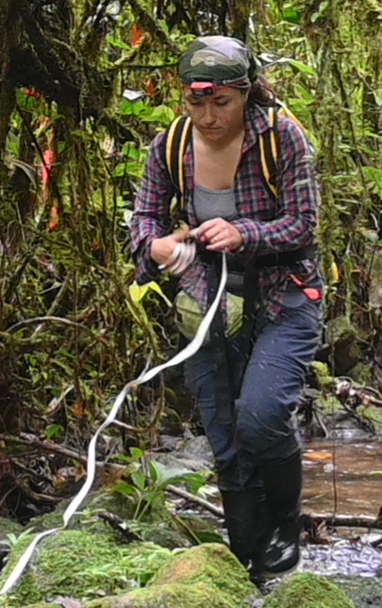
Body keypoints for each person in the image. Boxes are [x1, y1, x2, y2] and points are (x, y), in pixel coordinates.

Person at [129, 35, 322, 580]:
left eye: (222, 103)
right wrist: (157, 246)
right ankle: (247, 562)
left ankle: (287, 522)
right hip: (206, 301)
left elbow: (304, 224)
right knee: (224, 437)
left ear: (246, 94)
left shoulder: (280, 137)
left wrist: (245, 233)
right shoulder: (170, 145)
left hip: (285, 294)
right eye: (197, 104)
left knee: (261, 417)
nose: (209, 117)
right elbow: (142, 218)